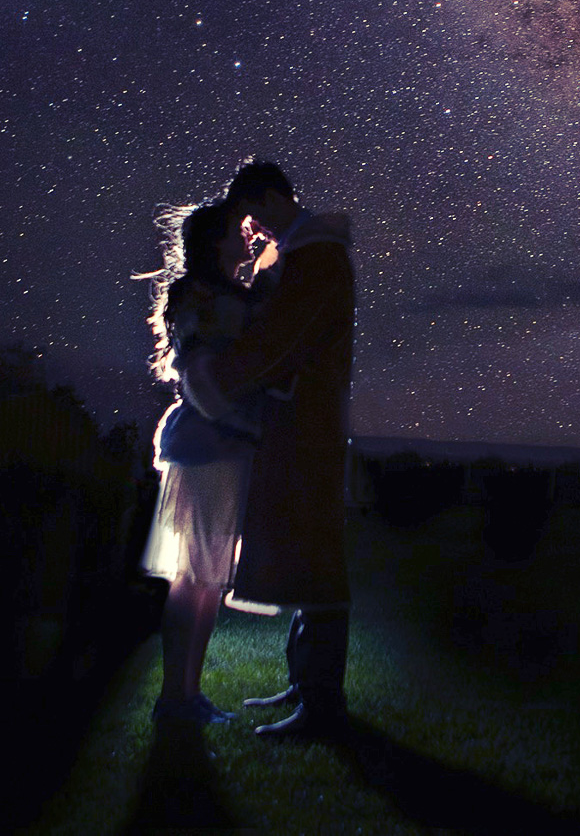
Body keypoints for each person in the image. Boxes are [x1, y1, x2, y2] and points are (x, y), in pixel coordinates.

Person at [186, 158, 355, 738]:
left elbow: (280, 342)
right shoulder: (303, 256)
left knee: (318, 561)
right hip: (298, 422)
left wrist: (213, 379)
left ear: (270, 198)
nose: (251, 231)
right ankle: (305, 682)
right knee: (308, 555)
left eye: (251, 215)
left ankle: (321, 701)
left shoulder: (318, 258)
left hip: (306, 424)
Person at [137, 200, 262, 724]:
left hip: (226, 444)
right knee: (192, 577)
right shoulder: (199, 295)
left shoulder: (229, 294)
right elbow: (198, 370)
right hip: (211, 443)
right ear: (216, 241)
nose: (250, 238)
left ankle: (188, 694)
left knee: (207, 577)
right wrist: (238, 422)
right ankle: (175, 697)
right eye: (240, 231)